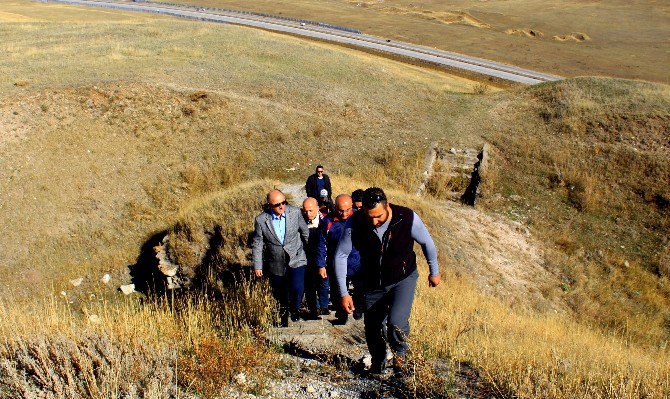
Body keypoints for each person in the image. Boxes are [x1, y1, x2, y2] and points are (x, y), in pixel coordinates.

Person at [334, 187, 441, 375]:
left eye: (379, 216)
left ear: (387, 206)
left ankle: (401, 359)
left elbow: (427, 243)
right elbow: (341, 255)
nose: (374, 221)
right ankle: (378, 362)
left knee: (396, 323)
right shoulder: (355, 222)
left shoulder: (406, 217)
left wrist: (434, 271)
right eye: (370, 217)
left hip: (403, 278)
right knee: (373, 326)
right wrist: (343, 293)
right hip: (372, 282)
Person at [252, 189, 309, 327]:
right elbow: (258, 243)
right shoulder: (261, 220)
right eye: (277, 204)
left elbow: (305, 232)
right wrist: (257, 265)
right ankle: (283, 317)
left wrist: (309, 253)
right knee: (280, 291)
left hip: (296, 257)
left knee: (297, 288)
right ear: (269, 205)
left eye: (284, 202)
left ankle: (295, 308)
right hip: (276, 262)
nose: (282, 206)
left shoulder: (295, 213)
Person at [316, 194, 361, 324]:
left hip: (357, 261)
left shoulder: (359, 218)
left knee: (359, 288)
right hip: (336, 262)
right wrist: (321, 265)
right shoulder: (328, 221)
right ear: (335, 207)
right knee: (338, 290)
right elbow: (321, 244)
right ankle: (342, 315)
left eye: (348, 210)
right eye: (341, 210)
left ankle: (357, 308)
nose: (345, 214)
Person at [301, 197, 327, 320]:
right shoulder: (300, 221)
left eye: (311, 211)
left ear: (317, 208)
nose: (308, 214)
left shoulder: (325, 221)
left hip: (322, 256)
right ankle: (313, 309)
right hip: (306, 257)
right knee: (309, 284)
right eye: (305, 211)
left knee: (323, 282)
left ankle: (324, 305)